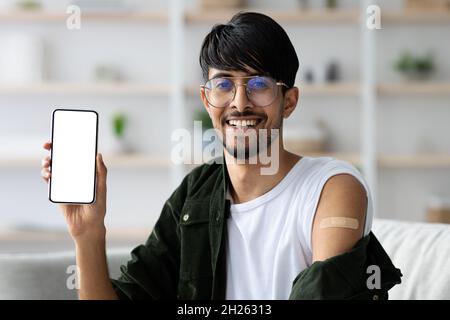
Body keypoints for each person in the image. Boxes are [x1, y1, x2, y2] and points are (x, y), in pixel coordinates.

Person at [40, 12, 401, 300]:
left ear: (288, 101)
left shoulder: (333, 187)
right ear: (206, 99)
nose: (240, 102)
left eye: (258, 84)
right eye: (224, 84)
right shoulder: (196, 193)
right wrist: (87, 234)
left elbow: (326, 293)